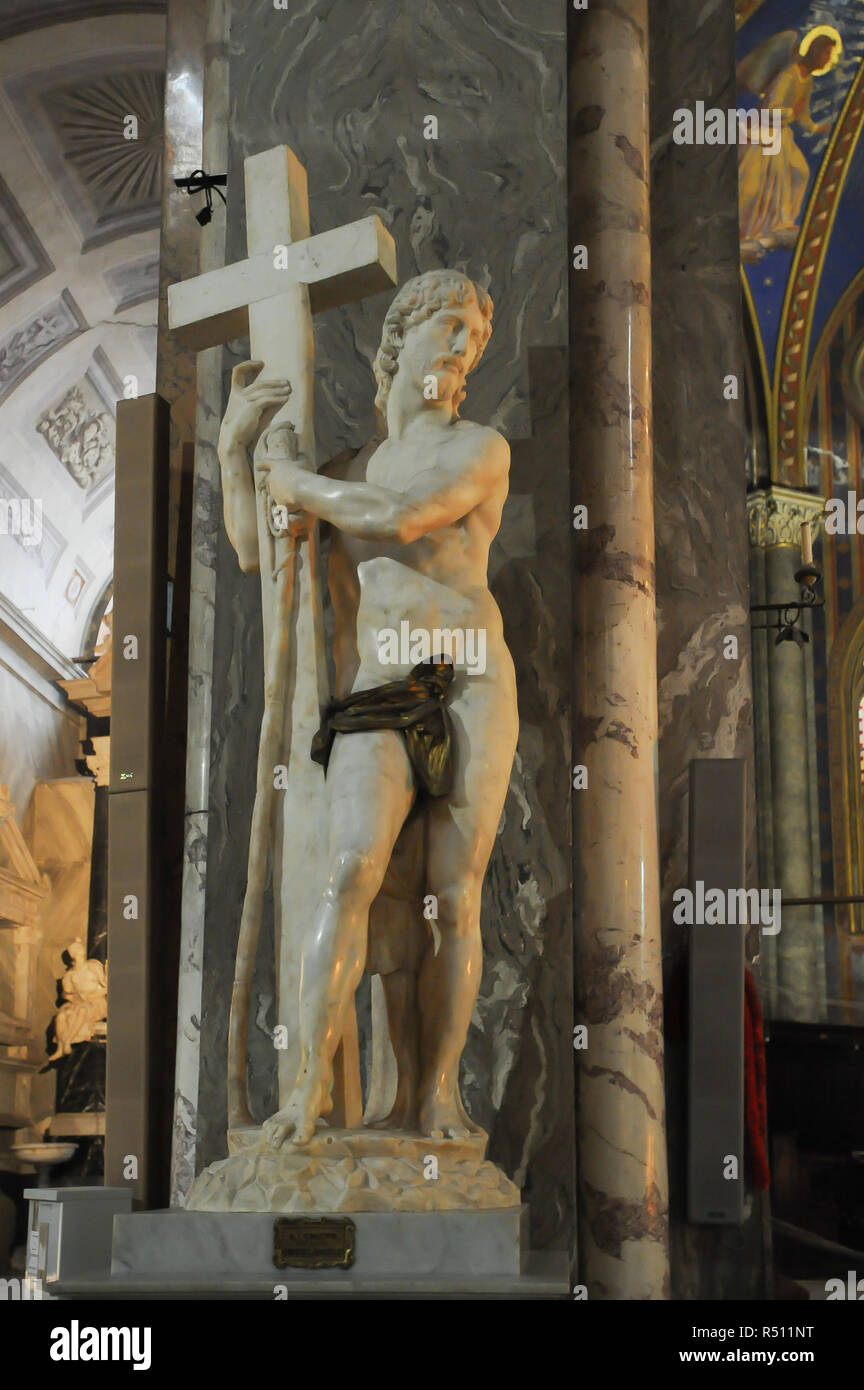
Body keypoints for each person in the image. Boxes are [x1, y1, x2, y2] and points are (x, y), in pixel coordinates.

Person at [217, 270, 518, 1145]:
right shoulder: (344, 468)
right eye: (449, 327)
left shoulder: (480, 448)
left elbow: (403, 517)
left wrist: (292, 482)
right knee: (351, 868)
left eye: (474, 339)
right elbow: (257, 555)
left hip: (468, 679)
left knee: (452, 898)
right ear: (398, 340)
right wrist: (236, 453)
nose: (462, 350)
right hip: (380, 690)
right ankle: (307, 1093)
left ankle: (433, 1099)